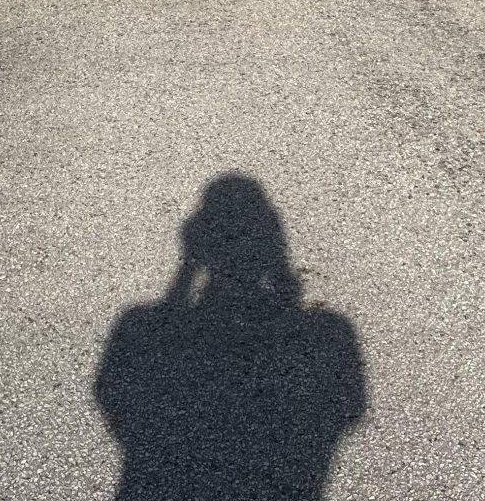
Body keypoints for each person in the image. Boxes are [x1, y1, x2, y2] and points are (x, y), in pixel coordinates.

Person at [95, 175, 366, 500]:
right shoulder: (329, 330)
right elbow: (347, 408)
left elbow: (114, 395)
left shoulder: (138, 321)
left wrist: (185, 274)